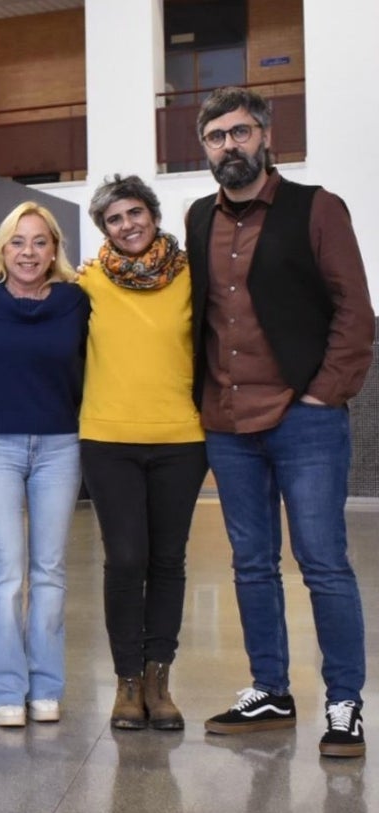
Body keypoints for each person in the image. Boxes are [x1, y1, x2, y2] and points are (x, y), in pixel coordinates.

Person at [189, 87, 374, 758]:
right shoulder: (197, 218)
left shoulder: (317, 208)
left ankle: (344, 702)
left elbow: (355, 311)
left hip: (305, 420)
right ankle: (269, 687)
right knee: (251, 564)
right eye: (216, 137)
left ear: (265, 137)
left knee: (323, 563)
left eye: (240, 132)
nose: (229, 146)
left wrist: (325, 393)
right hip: (229, 422)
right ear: (204, 148)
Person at [78, 175, 207, 731]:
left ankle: (160, 679)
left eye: (135, 213)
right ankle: (126, 682)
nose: (127, 224)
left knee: (168, 560)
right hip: (109, 441)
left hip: (182, 439)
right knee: (125, 559)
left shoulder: (191, 277)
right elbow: (28, 291)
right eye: (114, 218)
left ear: (154, 216)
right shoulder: (85, 282)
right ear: (103, 229)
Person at [0, 202, 88, 728]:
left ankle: (47, 685)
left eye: (40, 242)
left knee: (49, 569)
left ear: (55, 249)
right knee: (6, 569)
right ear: (3, 249)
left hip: (60, 445)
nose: (29, 252)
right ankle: (5, 690)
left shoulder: (77, 301)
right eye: (18, 242)